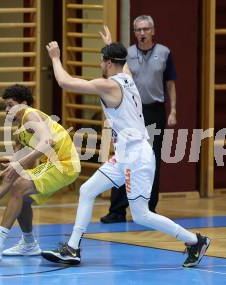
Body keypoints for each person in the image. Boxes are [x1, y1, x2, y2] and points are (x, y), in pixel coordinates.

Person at [41, 41, 210, 268]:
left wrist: (55, 57)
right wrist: (110, 44)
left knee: (141, 215)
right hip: (124, 154)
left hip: (137, 156)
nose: (100, 64)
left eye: (102, 60)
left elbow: (65, 82)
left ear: (109, 63)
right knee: (87, 190)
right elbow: (124, 65)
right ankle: (72, 248)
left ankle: (195, 241)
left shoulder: (108, 85)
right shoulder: (128, 76)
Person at [0, 84, 80, 261]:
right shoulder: (20, 134)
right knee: (21, 193)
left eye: (10, 104)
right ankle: (29, 244)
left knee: (20, 187)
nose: (6, 110)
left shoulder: (30, 115)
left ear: (23, 104)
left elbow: (48, 141)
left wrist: (21, 162)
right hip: (52, 164)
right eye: (5, 106)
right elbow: (12, 173)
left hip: (65, 163)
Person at [99, 16, 178, 223]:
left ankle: (148, 209)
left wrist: (173, 110)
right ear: (135, 32)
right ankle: (117, 210)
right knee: (123, 158)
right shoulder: (128, 54)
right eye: (138, 30)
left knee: (151, 159)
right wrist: (109, 44)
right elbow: (116, 61)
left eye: (146, 29)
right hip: (131, 112)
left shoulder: (164, 52)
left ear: (153, 30)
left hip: (154, 110)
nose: (142, 33)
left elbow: (170, 84)